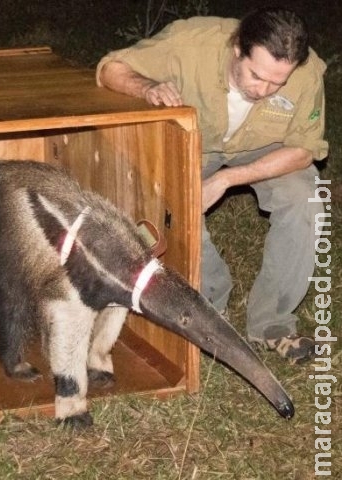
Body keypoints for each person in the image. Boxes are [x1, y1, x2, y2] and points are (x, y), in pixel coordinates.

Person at [96, 7, 328, 363]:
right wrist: (148, 87)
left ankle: (273, 324)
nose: (264, 90)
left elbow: (304, 150)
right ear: (238, 47)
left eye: (277, 83)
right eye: (256, 75)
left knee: (307, 199)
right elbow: (110, 69)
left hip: (263, 147)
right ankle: (209, 307)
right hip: (198, 143)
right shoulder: (191, 44)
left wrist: (226, 179)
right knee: (174, 199)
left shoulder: (306, 71)